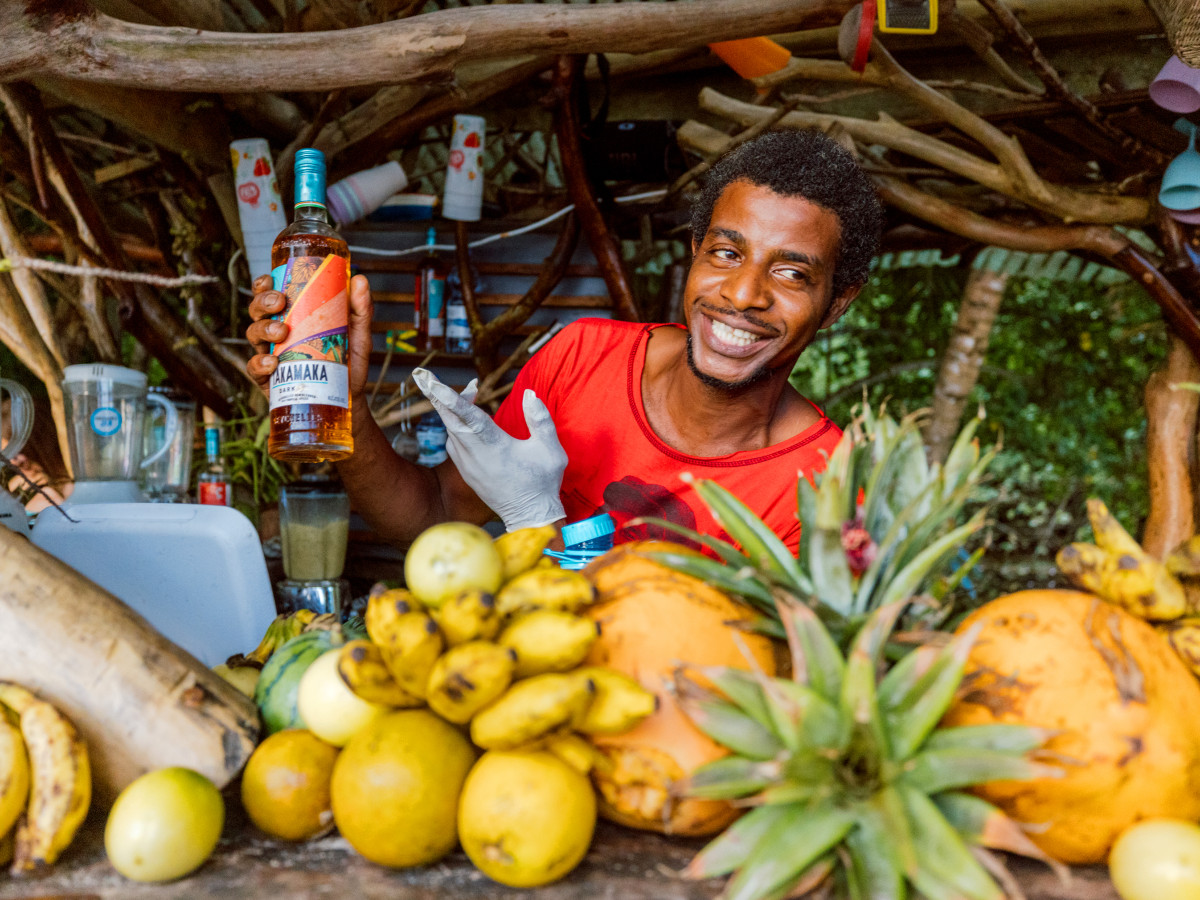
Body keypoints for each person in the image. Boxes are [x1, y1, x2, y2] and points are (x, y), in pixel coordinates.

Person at [246, 129, 884, 553]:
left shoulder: (826, 487)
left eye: (792, 273)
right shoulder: (582, 358)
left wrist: (534, 515)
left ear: (837, 304)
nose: (744, 295)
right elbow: (432, 515)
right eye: (725, 253)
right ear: (694, 255)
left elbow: (719, 676)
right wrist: (345, 403)